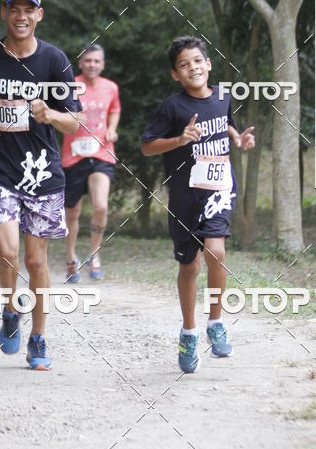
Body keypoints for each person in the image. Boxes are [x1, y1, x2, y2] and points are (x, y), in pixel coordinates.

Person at [0, 0, 82, 370]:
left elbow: (74, 121)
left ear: (39, 15)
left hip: (41, 173)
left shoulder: (55, 61)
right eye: (14, 9)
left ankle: (38, 337)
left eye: (29, 10)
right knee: (8, 251)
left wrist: (50, 114)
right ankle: (10, 308)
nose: (21, 16)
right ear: (3, 13)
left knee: (36, 261)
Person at [141, 36, 255, 374]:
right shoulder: (173, 107)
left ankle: (216, 322)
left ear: (208, 64)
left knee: (216, 252)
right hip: (185, 197)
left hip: (219, 189)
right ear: (175, 74)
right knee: (189, 266)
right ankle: (189, 332)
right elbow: (147, 146)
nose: (192, 68)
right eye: (183, 64)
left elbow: (226, 122)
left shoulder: (222, 96)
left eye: (197, 61)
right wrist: (179, 140)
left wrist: (238, 138)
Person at [61, 43, 121, 281]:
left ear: (102, 64)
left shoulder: (111, 87)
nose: (92, 65)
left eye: (96, 61)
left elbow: (114, 109)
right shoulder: (70, 87)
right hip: (73, 155)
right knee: (72, 212)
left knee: (101, 207)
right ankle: (70, 257)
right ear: (80, 63)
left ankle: (94, 255)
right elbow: (58, 116)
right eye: (88, 60)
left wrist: (112, 129)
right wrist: (70, 119)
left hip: (102, 153)